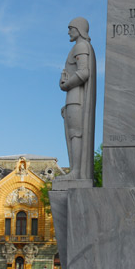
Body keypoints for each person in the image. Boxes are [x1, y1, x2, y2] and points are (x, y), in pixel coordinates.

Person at [59, 17, 96, 180]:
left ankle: (76, 172)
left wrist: (66, 85)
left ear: (79, 29)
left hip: (76, 97)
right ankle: (75, 170)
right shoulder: (80, 46)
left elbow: (83, 72)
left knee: (75, 134)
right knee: (73, 133)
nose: (68, 32)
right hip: (72, 98)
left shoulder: (81, 46)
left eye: (71, 28)